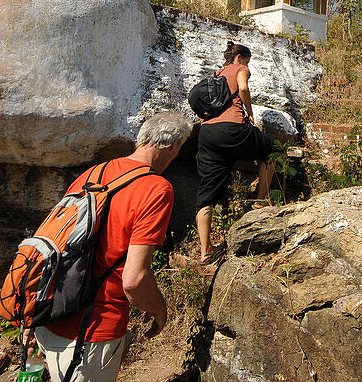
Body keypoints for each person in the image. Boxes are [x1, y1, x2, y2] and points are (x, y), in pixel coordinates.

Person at [31, 112, 193, 382]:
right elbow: (134, 279)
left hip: (50, 313)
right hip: (92, 331)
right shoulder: (156, 188)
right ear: (174, 145)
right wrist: (159, 310)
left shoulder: (96, 172)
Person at [195, 41, 276, 263]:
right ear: (239, 57)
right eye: (247, 61)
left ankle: (205, 251)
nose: (248, 66)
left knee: (206, 194)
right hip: (232, 129)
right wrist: (249, 112)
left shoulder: (214, 75)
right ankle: (260, 201)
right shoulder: (240, 68)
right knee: (270, 152)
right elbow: (243, 88)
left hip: (207, 133)